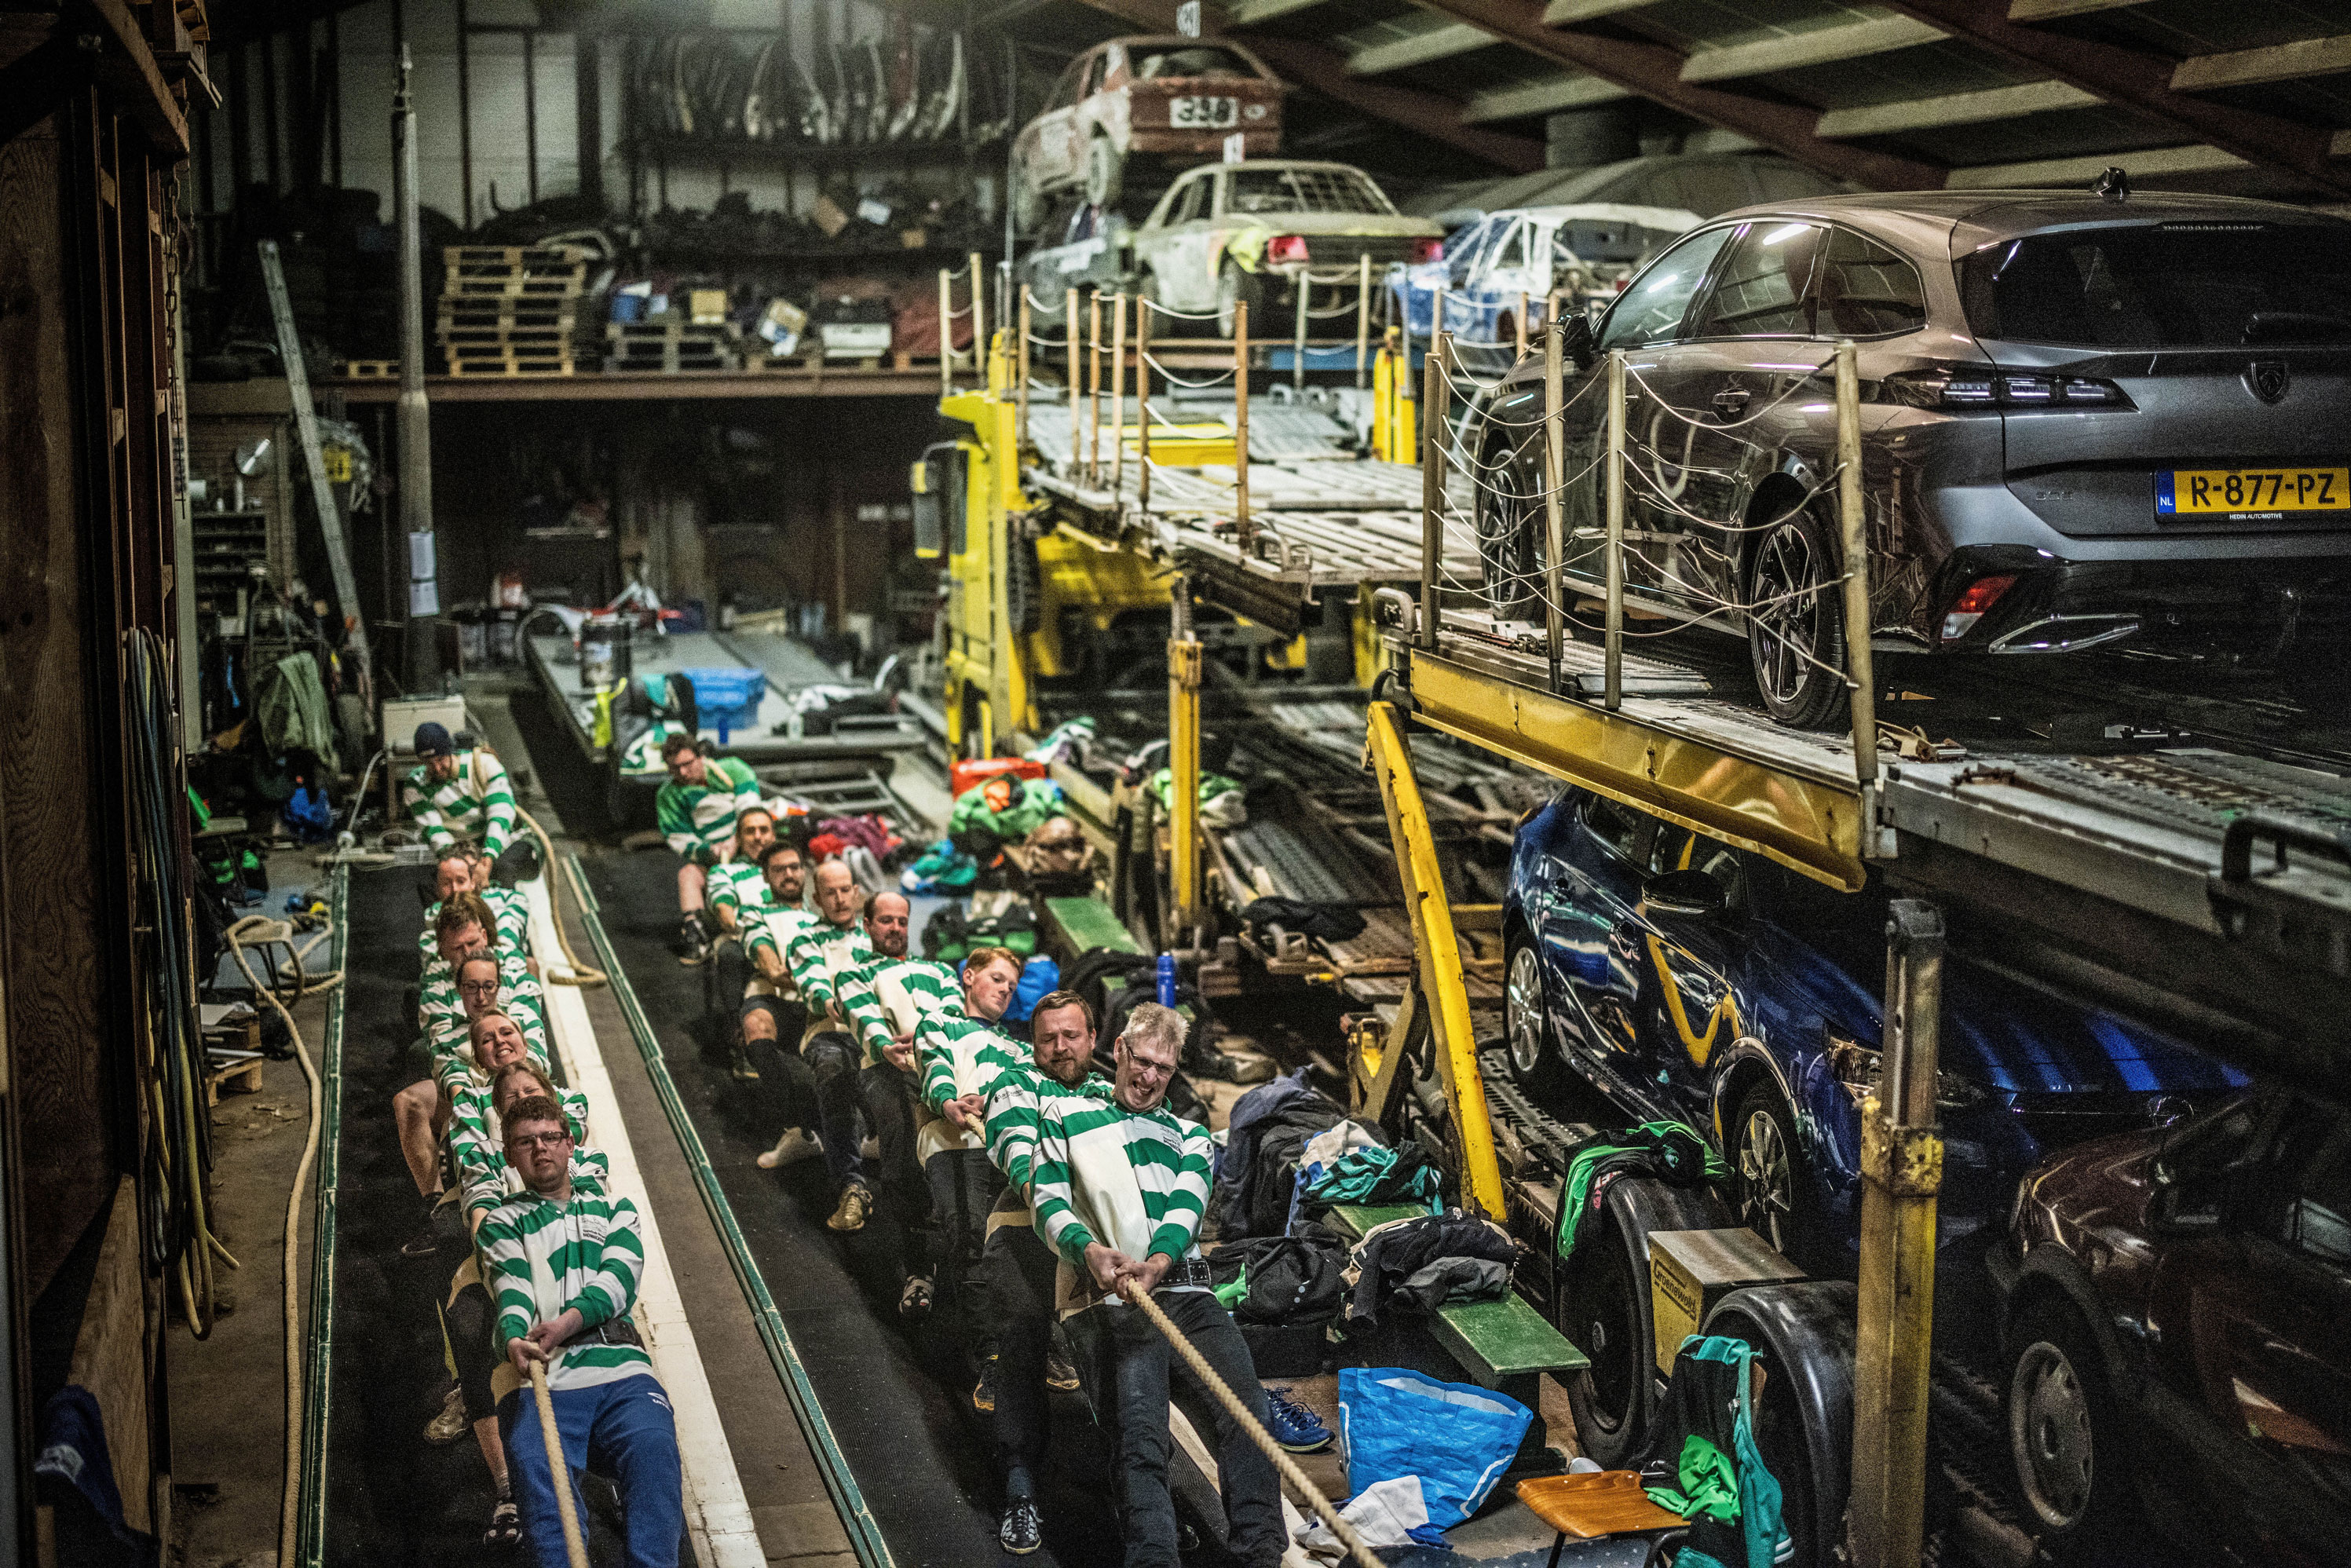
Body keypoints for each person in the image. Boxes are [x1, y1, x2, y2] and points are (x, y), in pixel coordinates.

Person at [1033, 1003, 1281, 1568]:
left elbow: (1187, 1206)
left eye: (1163, 1069)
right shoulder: (1063, 1112)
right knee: (1138, 1438)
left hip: (1185, 1292)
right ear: (1117, 1049)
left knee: (1248, 1415)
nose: (1148, 1077)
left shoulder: (1191, 1135)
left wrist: (1159, 1261)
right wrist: (1088, 1249)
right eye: (1140, 1061)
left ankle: (1262, 1554)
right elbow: (1046, 1196)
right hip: (1109, 1299)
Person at [484, 1095, 682, 1568]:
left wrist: (566, 1322)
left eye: (550, 1137)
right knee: (534, 1463)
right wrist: (514, 1336)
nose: (540, 1149)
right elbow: (510, 1288)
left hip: (622, 1369)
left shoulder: (616, 1209)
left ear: (570, 1144)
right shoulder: (502, 1220)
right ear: (510, 1155)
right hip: (551, 1377)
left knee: (654, 1449)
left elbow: (618, 1281)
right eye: (525, 1142)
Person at [440, 1054, 601, 1548]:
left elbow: (591, 1211)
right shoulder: (488, 1155)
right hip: (502, 1258)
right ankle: (506, 1481)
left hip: (566, 1254)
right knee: (471, 1326)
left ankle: (598, 1457)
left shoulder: (576, 1151)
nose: (522, 1100)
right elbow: (484, 1220)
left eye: (532, 1093)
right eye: (511, 1098)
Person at [977, 989, 1106, 1553]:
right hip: (1026, 1228)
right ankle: (1020, 1491)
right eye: (1049, 1037)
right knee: (1021, 1335)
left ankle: (1134, 1495)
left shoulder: (1110, 1092)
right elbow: (1021, 1159)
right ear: (1034, 1043)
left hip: (1100, 1242)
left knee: (1124, 1357)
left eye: (1071, 1035)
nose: (1060, 1047)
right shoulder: (1014, 1085)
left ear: (1093, 1038)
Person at [876, 948, 1022, 1324]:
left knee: (1012, 1247)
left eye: (1012, 985)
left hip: (1008, 1150)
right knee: (970, 1240)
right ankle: (987, 1356)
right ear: (969, 977)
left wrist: (990, 1099)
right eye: (997, 978)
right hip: (955, 1141)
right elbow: (935, 1066)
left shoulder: (1021, 1049)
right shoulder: (939, 1023)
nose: (1006, 990)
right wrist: (947, 1103)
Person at [656, 731, 763, 965]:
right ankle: (697, 936)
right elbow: (679, 838)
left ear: (700, 757)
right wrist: (708, 852)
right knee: (688, 875)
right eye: (675, 768)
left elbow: (750, 810)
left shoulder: (733, 769)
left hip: (749, 844)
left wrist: (737, 840)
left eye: (687, 764)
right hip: (713, 857)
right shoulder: (668, 796)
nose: (683, 773)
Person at [735, 840, 818, 1103]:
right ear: (766, 876)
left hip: (814, 1004)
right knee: (756, 1024)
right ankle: (794, 1119)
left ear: (805, 871)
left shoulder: (822, 922)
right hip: (774, 999)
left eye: (794, 867)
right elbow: (771, 966)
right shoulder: (754, 913)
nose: (789, 875)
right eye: (779, 870)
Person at [402, 723, 531, 883]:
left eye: (441, 759)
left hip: (504, 839)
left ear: (450, 752)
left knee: (502, 870)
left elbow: (500, 815)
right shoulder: (416, 785)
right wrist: (464, 865)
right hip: (462, 847)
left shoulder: (484, 764)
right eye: (429, 763)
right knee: (437, 883)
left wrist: (489, 856)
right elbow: (434, 833)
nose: (437, 768)